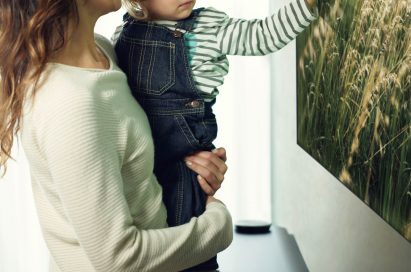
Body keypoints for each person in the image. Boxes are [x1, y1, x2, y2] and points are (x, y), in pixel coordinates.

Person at [0, 0, 233, 271]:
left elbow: (129, 172)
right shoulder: (70, 102)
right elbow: (119, 260)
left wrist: (189, 169)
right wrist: (218, 223)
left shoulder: (103, 52)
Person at [113, 0, 317, 270]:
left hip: (185, 172)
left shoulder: (207, 27)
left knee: (191, 257)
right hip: (139, 174)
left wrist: (307, 4)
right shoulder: (121, 34)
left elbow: (262, 35)